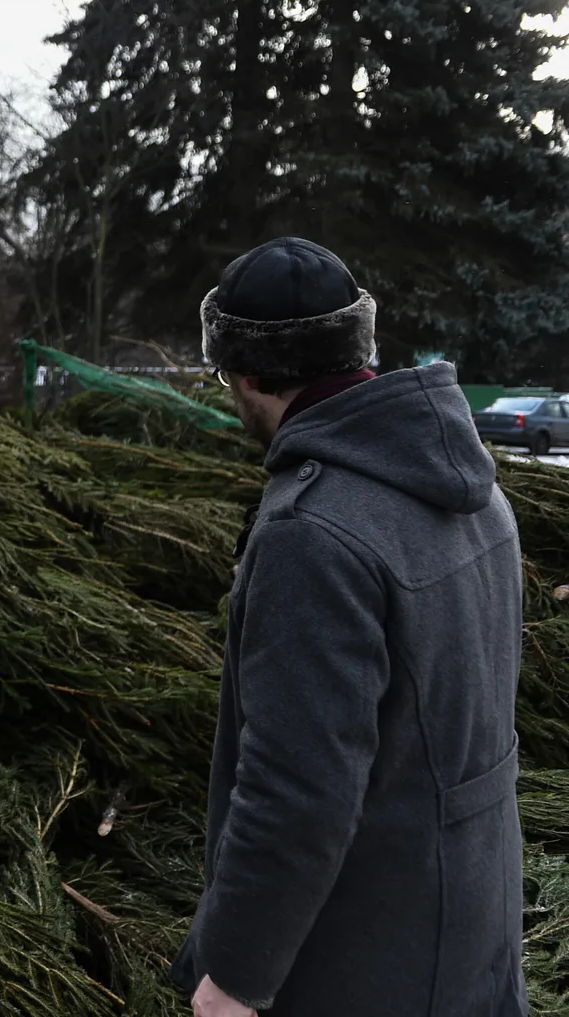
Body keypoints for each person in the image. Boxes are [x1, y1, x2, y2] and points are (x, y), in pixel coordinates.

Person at [170, 238, 527, 1016]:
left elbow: (297, 788)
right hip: (475, 918)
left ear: (249, 372)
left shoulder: (315, 533)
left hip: (366, 956)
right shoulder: (474, 491)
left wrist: (233, 975)